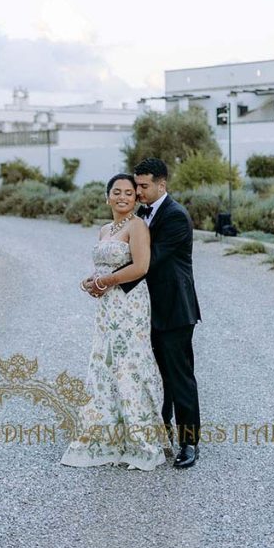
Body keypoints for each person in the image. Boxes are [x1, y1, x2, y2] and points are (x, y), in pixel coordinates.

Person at [60, 173, 170, 471]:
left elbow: (140, 266)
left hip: (130, 303)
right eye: (117, 192)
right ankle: (107, 434)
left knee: (129, 362)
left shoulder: (137, 227)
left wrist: (105, 280)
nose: (123, 197)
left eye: (129, 193)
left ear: (136, 199)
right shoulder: (104, 229)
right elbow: (101, 266)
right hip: (108, 306)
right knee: (105, 362)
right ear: (107, 196)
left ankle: (140, 438)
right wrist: (91, 281)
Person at [125, 157, 202, 469]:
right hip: (150, 310)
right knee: (156, 377)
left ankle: (190, 442)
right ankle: (163, 430)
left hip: (175, 311)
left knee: (178, 376)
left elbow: (149, 261)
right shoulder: (144, 213)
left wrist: (109, 280)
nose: (139, 191)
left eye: (144, 186)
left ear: (162, 185)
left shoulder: (175, 217)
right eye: (137, 185)